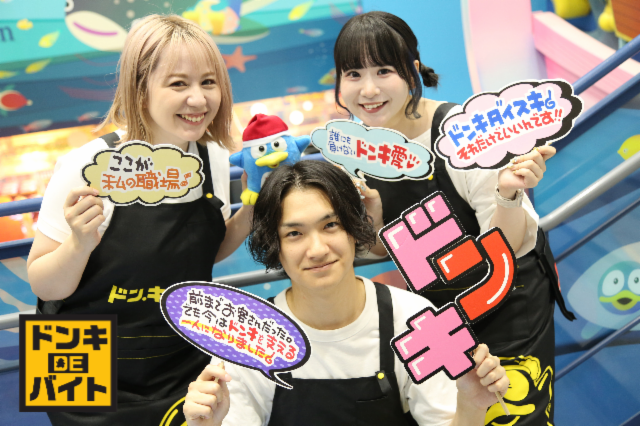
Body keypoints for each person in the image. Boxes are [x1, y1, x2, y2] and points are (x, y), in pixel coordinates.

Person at [332, 11, 575, 425]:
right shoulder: (353, 150)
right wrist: (372, 221)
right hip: (442, 312)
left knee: (511, 413)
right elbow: (387, 248)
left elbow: (511, 244)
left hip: (508, 298)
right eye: (353, 74)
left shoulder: (459, 134)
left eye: (383, 70)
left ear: (412, 70)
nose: (368, 90)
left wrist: (508, 193)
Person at [26, 14, 253, 426]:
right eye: (178, 84)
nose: (198, 99)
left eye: (208, 82)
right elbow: (43, 283)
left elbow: (200, 254)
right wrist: (78, 243)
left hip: (177, 348)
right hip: (75, 356)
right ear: (140, 87)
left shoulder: (214, 159)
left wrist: (253, 208)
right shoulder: (87, 165)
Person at [182, 160, 509, 426]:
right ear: (274, 246)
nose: (317, 249)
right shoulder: (247, 337)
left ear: (354, 228)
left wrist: (471, 406)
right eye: (294, 233)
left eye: (331, 225)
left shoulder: (415, 317)